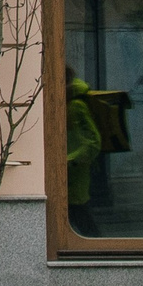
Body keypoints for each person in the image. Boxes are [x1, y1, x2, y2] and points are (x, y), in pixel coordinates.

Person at [65, 70, 103, 237]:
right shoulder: (69, 102)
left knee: (81, 217)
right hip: (72, 172)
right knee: (77, 220)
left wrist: (69, 160)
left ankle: (100, 254)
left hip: (74, 173)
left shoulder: (76, 105)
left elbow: (93, 142)